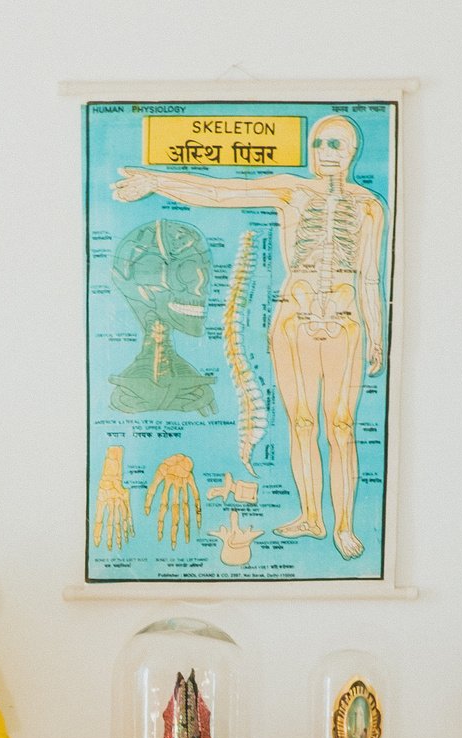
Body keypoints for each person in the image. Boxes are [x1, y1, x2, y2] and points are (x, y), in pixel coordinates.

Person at [114, 114, 387, 559]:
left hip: (345, 315)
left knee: (341, 425)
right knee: (301, 421)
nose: (326, 153)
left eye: (336, 144)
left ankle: (344, 526)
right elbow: (220, 192)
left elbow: (371, 278)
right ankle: (310, 518)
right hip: (293, 314)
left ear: (352, 151)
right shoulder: (291, 190)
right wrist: (156, 181)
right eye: (319, 144)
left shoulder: (369, 206)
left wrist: (376, 334)